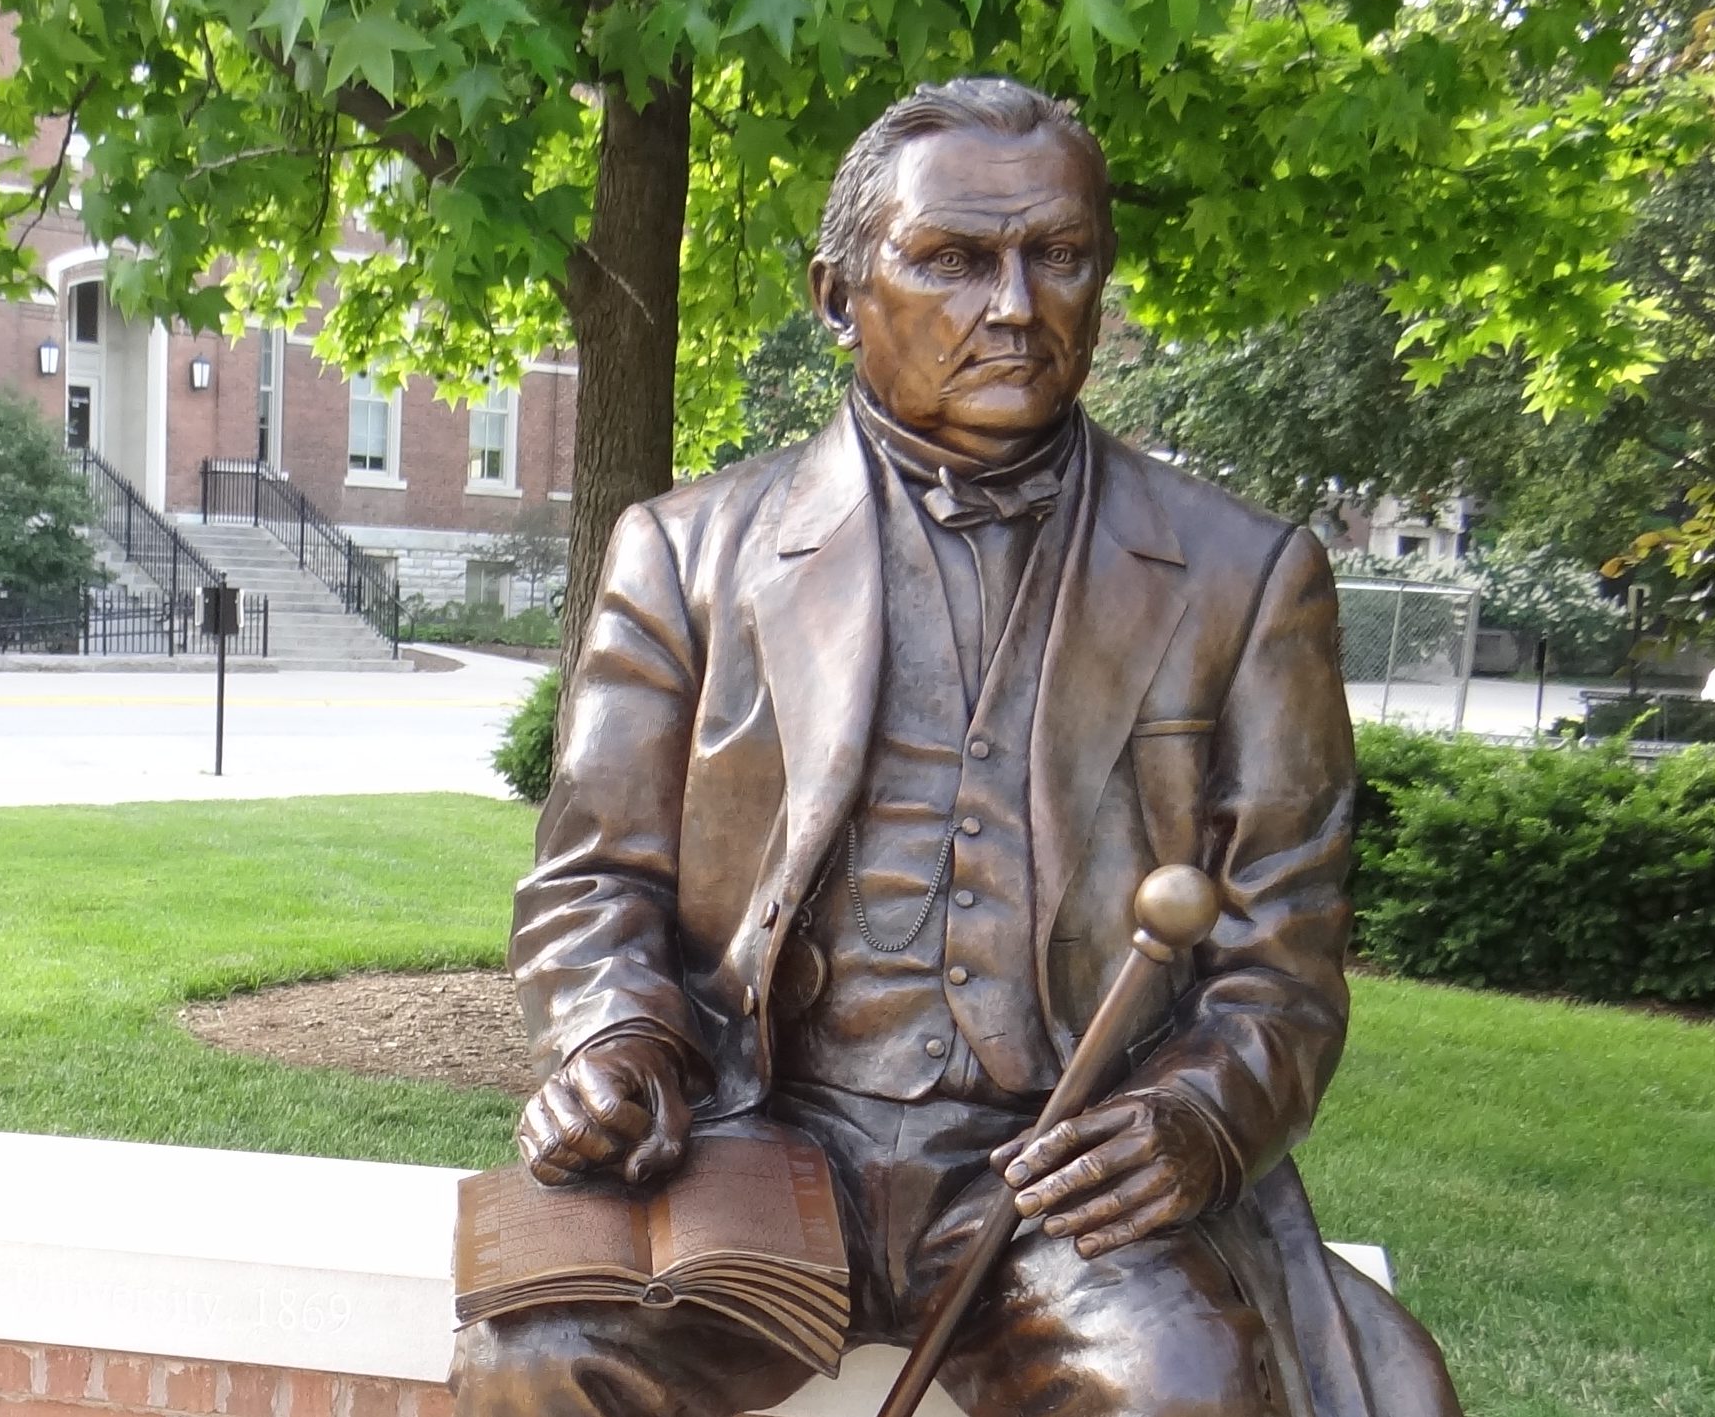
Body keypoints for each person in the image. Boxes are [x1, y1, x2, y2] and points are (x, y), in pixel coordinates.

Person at [455, 79, 1459, 1417]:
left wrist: (1196, 1117)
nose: (1016, 305)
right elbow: (593, 883)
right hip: (759, 1139)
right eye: (953, 259)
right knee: (535, 1358)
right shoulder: (685, 553)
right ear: (836, 295)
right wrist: (616, 1044)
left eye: (1060, 255)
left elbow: (1283, 960)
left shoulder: (1244, 575)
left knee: (1179, 1385)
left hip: (1055, 1172)